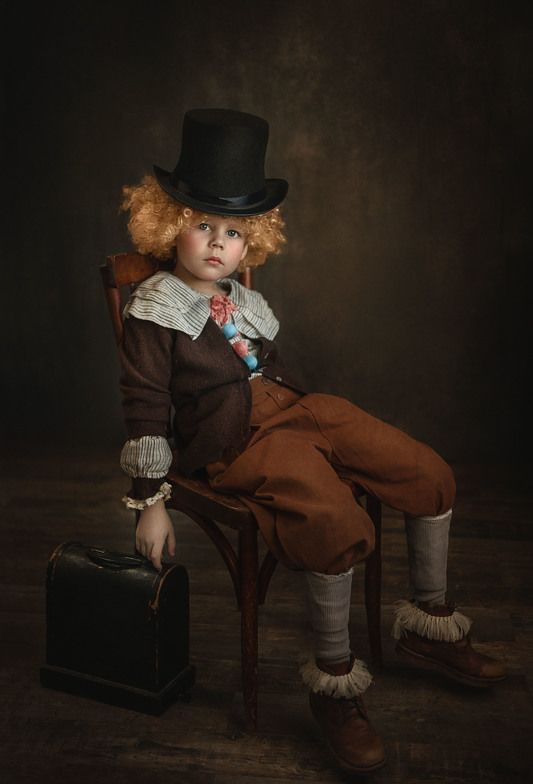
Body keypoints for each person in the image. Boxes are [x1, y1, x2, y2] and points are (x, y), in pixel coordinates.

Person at [117, 108, 506, 774]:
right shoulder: (154, 309)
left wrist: (314, 427)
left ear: (251, 241)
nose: (217, 244)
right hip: (233, 441)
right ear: (168, 222)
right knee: (333, 522)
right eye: (201, 225)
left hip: (293, 410)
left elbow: (269, 374)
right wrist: (149, 502)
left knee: (426, 471)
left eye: (233, 232)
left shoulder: (241, 300)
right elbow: (145, 407)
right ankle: (335, 690)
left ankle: (430, 626)